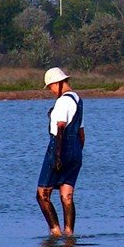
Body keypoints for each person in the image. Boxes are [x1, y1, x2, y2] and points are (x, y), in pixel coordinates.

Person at [37, 67, 85, 237]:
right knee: (67, 196)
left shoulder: (62, 102)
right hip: (76, 151)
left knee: (42, 195)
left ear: (58, 83)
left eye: (50, 86)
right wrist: (77, 153)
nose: (50, 90)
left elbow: (60, 129)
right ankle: (69, 235)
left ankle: (55, 233)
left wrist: (57, 156)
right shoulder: (77, 100)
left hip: (59, 148)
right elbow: (81, 132)